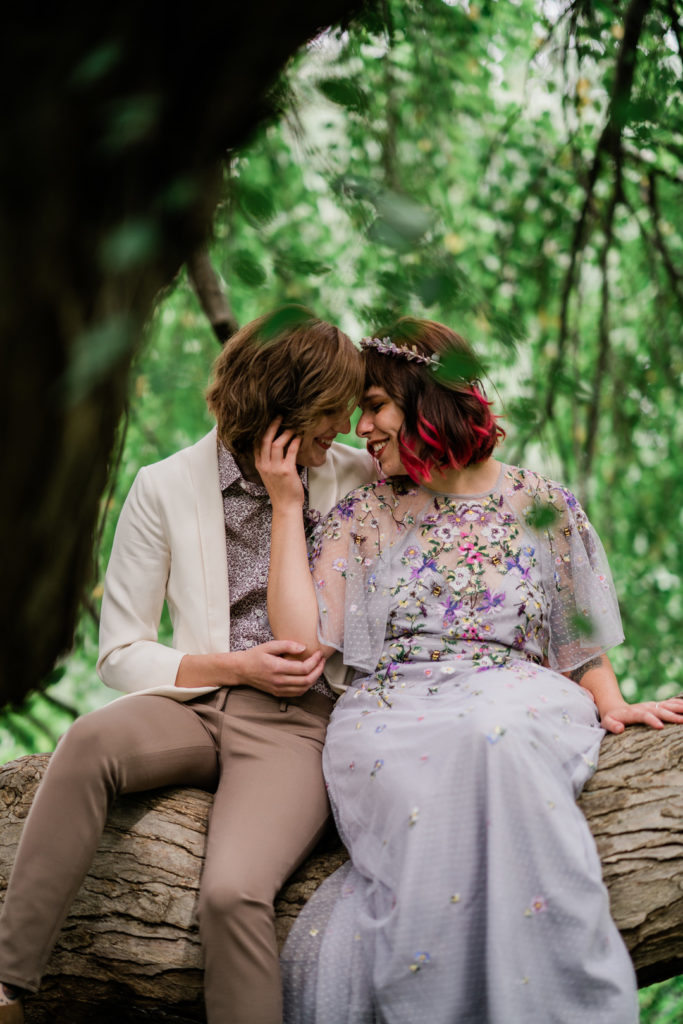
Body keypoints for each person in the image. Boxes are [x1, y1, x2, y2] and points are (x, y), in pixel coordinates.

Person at [256, 316, 683, 1024]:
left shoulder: (543, 506)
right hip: (387, 714)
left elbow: (580, 644)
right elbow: (301, 644)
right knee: (475, 734)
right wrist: (284, 504)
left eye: (373, 405)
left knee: (492, 730)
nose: (360, 428)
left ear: (422, 396)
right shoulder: (363, 514)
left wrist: (612, 706)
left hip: (514, 698)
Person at [0, 306, 376, 1024]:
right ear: (280, 405)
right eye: (332, 409)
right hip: (197, 704)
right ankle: (7, 989)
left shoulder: (354, 479)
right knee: (86, 742)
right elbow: (119, 653)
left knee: (232, 894)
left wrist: (289, 497)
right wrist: (235, 668)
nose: (346, 426)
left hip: (300, 723)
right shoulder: (163, 487)